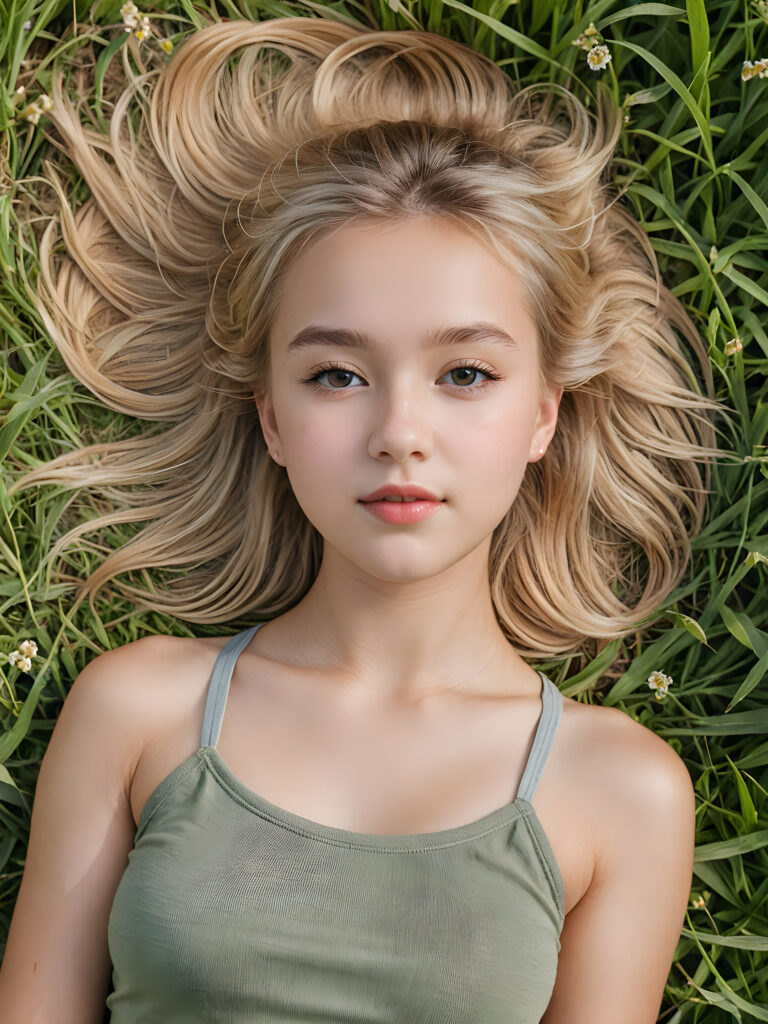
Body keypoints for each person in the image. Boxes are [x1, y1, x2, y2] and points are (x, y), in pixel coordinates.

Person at [0, 14, 729, 1023]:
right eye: (336, 374)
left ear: (544, 413)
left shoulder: (621, 790)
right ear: (273, 418)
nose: (399, 432)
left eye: (465, 373)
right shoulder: (138, 712)